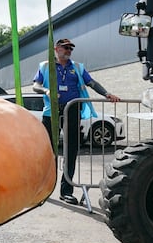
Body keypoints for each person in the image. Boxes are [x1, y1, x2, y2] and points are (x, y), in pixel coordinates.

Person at [32, 38, 120, 205]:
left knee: (71, 150)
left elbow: (92, 82)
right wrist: (46, 90)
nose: (69, 51)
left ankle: (66, 191)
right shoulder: (45, 66)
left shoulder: (78, 67)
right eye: (65, 48)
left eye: (71, 48)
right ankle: (42, 190)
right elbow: (35, 85)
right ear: (56, 49)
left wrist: (107, 94)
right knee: (48, 152)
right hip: (52, 113)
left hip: (73, 110)